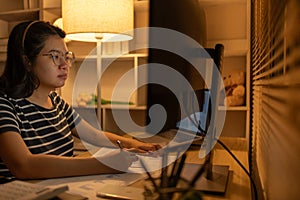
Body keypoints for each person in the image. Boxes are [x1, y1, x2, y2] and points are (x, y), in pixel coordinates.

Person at [0, 20, 160, 180]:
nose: (65, 65)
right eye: (55, 56)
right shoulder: (5, 104)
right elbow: (24, 166)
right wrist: (104, 164)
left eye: (66, 56)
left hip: (60, 190)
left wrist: (132, 144)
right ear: (27, 61)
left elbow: (94, 135)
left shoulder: (56, 102)